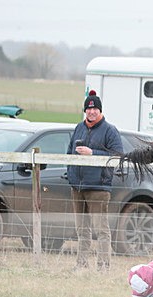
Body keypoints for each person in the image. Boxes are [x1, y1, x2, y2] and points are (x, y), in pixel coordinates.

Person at [67, 90, 123, 271]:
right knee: (81, 230)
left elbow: (117, 156)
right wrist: (71, 174)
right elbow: (68, 153)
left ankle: (103, 266)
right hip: (78, 187)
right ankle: (81, 265)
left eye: (95, 109)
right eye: (88, 109)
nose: (91, 112)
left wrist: (93, 153)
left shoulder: (110, 131)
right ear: (85, 111)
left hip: (98, 187)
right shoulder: (79, 128)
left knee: (101, 230)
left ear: (100, 111)